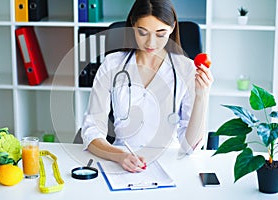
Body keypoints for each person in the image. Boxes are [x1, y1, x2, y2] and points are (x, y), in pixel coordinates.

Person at [81, 0, 213, 173]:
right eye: (142, 32)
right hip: (122, 163)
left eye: (160, 34)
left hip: (171, 164)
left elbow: (190, 147)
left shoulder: (186, 69)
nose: (151, 43)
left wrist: (202, 95)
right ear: (133, 26)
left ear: (172, 28)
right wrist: (120, 156)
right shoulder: (112, 64)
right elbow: (92, 131)